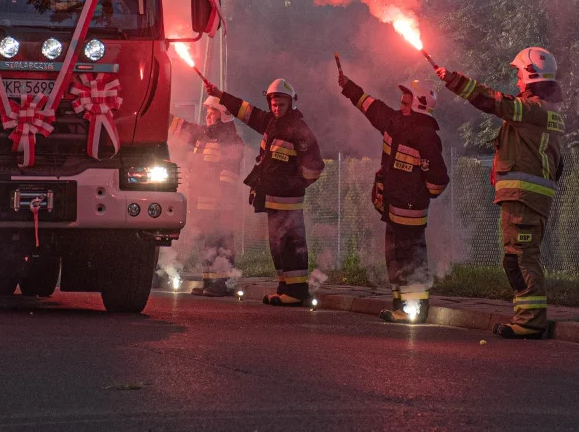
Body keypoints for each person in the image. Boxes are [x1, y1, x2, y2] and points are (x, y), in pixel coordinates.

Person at [437, 47, 564, 339]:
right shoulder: (546, 113)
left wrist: (455, 80)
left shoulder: (532, 109)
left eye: (519, 74)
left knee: (520, 258)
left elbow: (493, 101)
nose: (517, 81)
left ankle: (530, 321)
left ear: (531, 74)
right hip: (526, 197)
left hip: (523, 197)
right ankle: (527, 318)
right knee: (518, 258)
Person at [338, 73, 449, 323]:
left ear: (419, 102)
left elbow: (438, 181)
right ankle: (402, 307)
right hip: (393, 210)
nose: (401, 100)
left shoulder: (426, 137)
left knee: (412, 260)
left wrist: (415, 192)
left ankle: (415, 309)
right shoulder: (395, 123)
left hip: (410, 213)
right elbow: (372, 107)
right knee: (396, 259)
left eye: (407, 98)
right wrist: (349, 87)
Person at [206, 78, 323, 306]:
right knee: (277, 246)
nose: (277, 108)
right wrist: (220, 94)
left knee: (291, 244)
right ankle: (284, 288)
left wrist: (295, 184)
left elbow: (315, 166)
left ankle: (297, 292)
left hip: (288, 201)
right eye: (274, 104)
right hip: (272, 199)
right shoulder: (270, 123)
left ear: (291, 103)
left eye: (281, 104)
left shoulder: (299, 130)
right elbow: (245, 110)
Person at [169, 96, 246, 297]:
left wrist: (223, 200)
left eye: (213, 111)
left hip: (220, 204)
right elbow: (181, 127)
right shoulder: (204, 135)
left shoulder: (231, 140)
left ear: (225, 115)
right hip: (202, 202)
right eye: (207, 111)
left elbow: (229, 174)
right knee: (206, 242)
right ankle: (209, 282)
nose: (208, 115)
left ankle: (224, 284)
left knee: (220, 241)